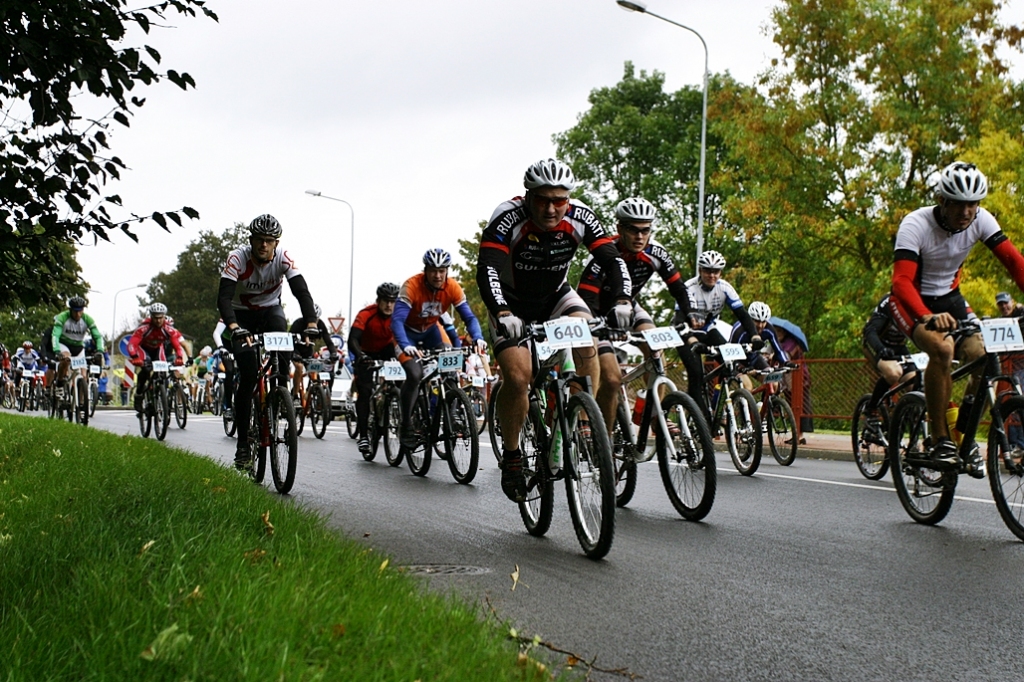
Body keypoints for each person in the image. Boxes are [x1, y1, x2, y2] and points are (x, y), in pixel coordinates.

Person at [475, 158, 632, 502]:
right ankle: (513, 455)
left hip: (556, 296)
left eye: (559, 200)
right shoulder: (508, 216)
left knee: (587, 335)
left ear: (568, 199)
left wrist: (623, 300)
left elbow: (613, 260)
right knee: (519, 378)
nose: (550, 209)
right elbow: (487, 268)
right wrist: (502, 311)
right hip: (511, 302)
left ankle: (581, 418)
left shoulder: (581, 216)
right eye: (543, 200)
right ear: (528, 195)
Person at [890, 161, 1024, 476]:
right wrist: (927, 316)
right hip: (913, 300)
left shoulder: (981, 219)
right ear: (942, 201)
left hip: (951, 299)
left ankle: (962, 435)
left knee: (984, 357)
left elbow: (1015, 263)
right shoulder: (916, 224)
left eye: (973, 204)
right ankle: (940, 440)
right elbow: (901, 281)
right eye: (959, 204)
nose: (966, 212)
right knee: (942, 349)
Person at [577, 196, 692, 429]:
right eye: (633, 230)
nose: (640, 236)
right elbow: (585, 297)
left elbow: (679, 288)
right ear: (620, 229)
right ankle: (604, 437)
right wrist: (600, 327)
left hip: (630, 307)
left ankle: (652, 415)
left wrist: (692, 316)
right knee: (612, 379)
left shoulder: (656, 253)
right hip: (597, 312)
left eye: (645, 230)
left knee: (656, 351)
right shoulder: (604, 251)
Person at [218, 214, 320, 470]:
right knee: (249, 374)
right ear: (251, 240)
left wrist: (311, 322)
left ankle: (280, 397)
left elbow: (301, 291)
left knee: (283, 353)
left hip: (270, 312)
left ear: (276, 243)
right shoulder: (237, 258)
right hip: (240, 316)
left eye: (269, 241)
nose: (264, 245)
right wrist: (233, 327)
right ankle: (243, 444)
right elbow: (224, 297)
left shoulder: (283, 258)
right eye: (259, 240)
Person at [392, 248, 487, 450]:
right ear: (425, 270)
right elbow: (397, 321)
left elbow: (469, 317)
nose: (437, 275)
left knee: (451, 364)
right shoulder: (411, 286)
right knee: (415, 374)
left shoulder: (452, 287)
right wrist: (406, 345)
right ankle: (406, 423)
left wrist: (478, 337)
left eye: (442, 271)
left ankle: (451, 413)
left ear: (447, 271)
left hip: (431, 332)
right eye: (433, 270)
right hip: (407, 334)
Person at [674, 250, 762, 424]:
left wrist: (755, 337)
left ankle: (718, 405)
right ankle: (702, 420)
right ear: (700, 270)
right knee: (696, 374)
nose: (712, 275)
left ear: (721, 272)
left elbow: (742, 315)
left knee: (730, 362)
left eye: (716, 271)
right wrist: (691, 340)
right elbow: (678, 320)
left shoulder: (725, 288)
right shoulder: (689, 288)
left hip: (708, 330)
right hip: (685, 332)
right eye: (707, 271)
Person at [349, 282, 400, 455]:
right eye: (385, 301)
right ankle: (363, 435)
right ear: (378, 301)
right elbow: (353, 339)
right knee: (365, 391)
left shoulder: (399, 315)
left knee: (403, 380)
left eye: (392, 302)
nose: (389, 305)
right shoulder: (366, 314)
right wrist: (360, 355)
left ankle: (398, 409)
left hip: (386, 350)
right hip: (366, 352)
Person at [860, 293, 914, 444]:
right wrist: (880, 349)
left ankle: (898, 433)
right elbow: (870, 331)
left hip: (899, 347)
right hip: (878, 344)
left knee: (915, 385)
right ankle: (871, 408)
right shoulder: (889, 303)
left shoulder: (920, 303)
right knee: (893, 373)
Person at [126, 303, 186, 412]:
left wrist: (180, 357)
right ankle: (139, 394)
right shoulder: (143, 328)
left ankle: (161, 395)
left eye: (160, 318)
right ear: (151, 317)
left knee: (163, 372)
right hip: (143, 349)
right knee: (146, 369)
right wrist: (135, 357)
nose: (158, 321)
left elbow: (177, 346)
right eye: (155, 318)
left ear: (164, 316)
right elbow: (131, 344)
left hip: (157, 349)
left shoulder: (169, 329)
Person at [729, 301, 789, 391]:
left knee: (774, 384)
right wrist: (741, 368)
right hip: (737, 362)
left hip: (754, 358)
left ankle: (767, 400)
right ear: (750, 319)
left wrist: (786, 362)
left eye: (763, 322)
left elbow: (778, 350)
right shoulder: (739, 330)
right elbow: (730, 355)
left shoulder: (769, 329)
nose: (760, 325)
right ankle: (739, 398)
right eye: (757, 321)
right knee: (748, 387)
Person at [47, 296, 105, 385]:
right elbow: (55, 335)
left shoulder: (87, 319)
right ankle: (60, 381)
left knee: (84, 376)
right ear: (70, 310)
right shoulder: (62, 317)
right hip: (64, 344)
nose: (78, 314)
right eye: (75, 311)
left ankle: (81, 392)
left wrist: (100, 350)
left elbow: (97, 336)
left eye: (80, 311)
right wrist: (57, 350)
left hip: (78, 347)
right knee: (65, 359)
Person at [289, 305, 339, 401]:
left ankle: (310, 392)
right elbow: (289, 340)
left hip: (308, 350)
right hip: (296, 349)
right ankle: (295, 395)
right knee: (299, 367)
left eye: (316, 320)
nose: (314, 322)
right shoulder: (298, 323)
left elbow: (328, 341)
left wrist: (333, 353)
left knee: (315, 369)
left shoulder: (321, 325)